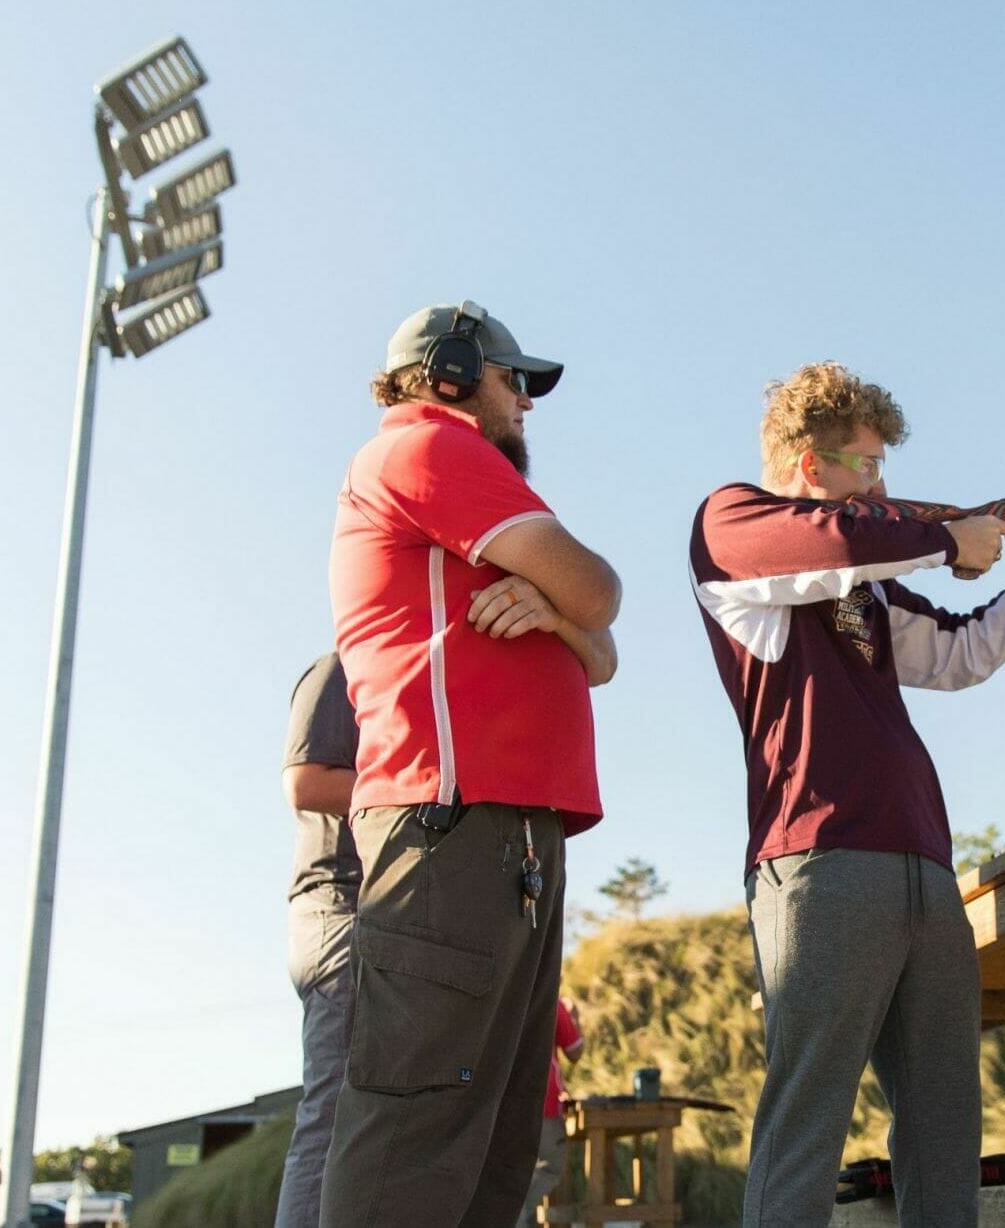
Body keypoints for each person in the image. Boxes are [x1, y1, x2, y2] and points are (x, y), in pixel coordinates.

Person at [688, 361, 1005, 1226]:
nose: (884, 487)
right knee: (806, 1122)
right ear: (811, 466)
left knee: (942, 1128)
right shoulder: (732, 520)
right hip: (819, 858)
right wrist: (951, 540)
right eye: (866, 466)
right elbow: (837, 543)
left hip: (924, 864)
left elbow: (962, 654)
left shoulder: (871, 588)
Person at [321, 300, 621, 1228]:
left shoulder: (461, 481)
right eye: (512, 379)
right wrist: (572, 603)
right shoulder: (430, 448)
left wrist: (557, 615)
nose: (525, 402)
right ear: (450, 373)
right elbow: (602, 587)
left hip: (507, 839)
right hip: (452, 827)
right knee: (413, 1144)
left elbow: (600, 648)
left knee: (488, 1150)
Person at [273, 652, 359, 1228]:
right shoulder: (340, 668)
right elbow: (304, 783)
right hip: (340, 910)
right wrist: (441, 784)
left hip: (385, 914)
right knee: (332, 1114)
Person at [518, 999, 587, 1224]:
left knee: (512, 1169)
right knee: (551, 1166)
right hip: (543, 1102)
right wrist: (575, 1018)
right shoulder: (552, 1003)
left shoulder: (509, 995)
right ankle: (515, 1215)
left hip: (506, 1104)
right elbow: (575, 1051)